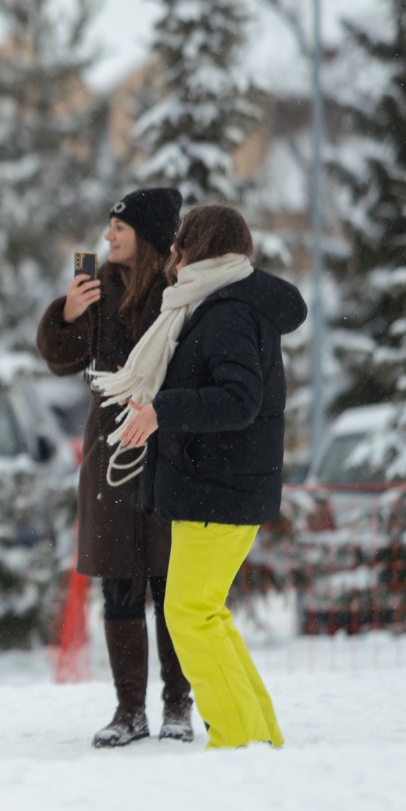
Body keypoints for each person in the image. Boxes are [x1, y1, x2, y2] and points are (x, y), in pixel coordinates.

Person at [99, 203, 306, 750]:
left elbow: (239, 400)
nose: (172, 253)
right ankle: (258, 735)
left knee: (188, 612)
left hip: (220, 488)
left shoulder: (229, 310)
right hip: (220, 485)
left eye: (179, 242)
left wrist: (162, 408)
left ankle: (237, 737)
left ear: (198, 247)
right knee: (205, 611)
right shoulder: (218, 301)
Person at [36, 187, 195, 747]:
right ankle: (130, 710)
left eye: (119, 230)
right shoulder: (99, 289)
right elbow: (61, 359)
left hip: (169, 448)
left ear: (146, 237)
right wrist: (68, 313)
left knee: (170, 583)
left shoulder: (181, 289)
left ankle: (179, 703)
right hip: (111, 456)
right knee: (120, 583)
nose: (108, 238)